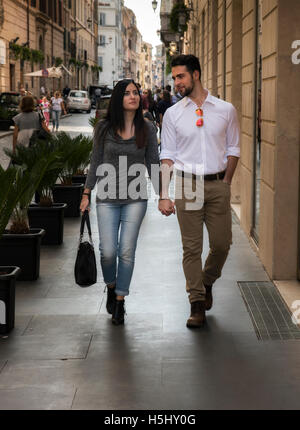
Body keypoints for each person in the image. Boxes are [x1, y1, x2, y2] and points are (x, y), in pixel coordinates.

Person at [159, 54, 240, 328]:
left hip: (218, 184)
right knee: (191, 248)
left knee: (221, 244)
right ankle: (196, 303)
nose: (177, 83)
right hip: (187, 184)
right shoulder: (173, 114)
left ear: (196, 74)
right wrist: (164, 193)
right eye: (174, 78)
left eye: (180, 76)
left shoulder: (225, 109)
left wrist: (226, 183)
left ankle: (206, 282)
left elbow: (233, 149)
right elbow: (167, 155)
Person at [80, 79, 160, 326]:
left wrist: (164, 195)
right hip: (106, 197)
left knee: (126, 251)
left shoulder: (148, 129)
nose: (133, 96)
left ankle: (120, 301)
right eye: (127, 93)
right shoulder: (104, 128)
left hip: (135, 198)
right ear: (119, 99)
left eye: (136, 92)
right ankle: (111, 286)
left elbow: (153, 164)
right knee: (108, 252)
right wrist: (86, 193)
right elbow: (95, 161)